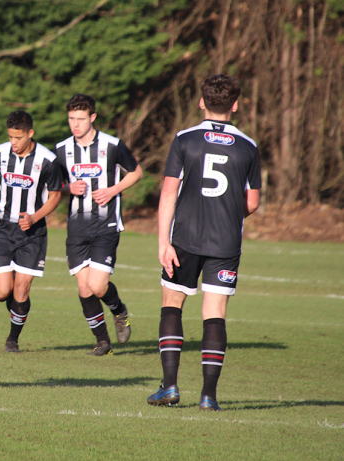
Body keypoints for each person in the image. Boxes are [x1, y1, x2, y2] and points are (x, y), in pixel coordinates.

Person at [147, 74, 261, 411]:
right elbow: (252, 203)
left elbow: (168, 192)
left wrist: (163, 242)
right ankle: (209, 396)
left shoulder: (185, 139)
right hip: (225, 241)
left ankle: (169, 387)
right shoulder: (249, 146)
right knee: (215, 313)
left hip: (185, 237)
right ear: (235, 105)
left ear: (202, 102)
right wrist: (226, 213)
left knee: (172, 303)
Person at [54, 94, 143, 356]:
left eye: (80, 119)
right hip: (77, 227)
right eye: (71, 119)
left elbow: (136, 172)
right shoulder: (61, 150)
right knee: (84, 287)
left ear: (92, 117)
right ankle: (102, 341)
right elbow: (52, 185)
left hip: (106, 224)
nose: (75, 124)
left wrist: (113, 189)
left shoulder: (112, 145)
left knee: (98, 286)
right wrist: (69, 187)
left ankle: (119, 311)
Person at [0, 110, 63, 353]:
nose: (13, 143)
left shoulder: (48, 160)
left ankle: (13, 339)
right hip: (1, 227)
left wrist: (35, 217)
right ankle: (17, 310)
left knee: (22, 287)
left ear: (31, 133)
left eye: (18, 137)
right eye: (10, 137)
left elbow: (55, 195)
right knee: (1, 292)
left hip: (32, 232)